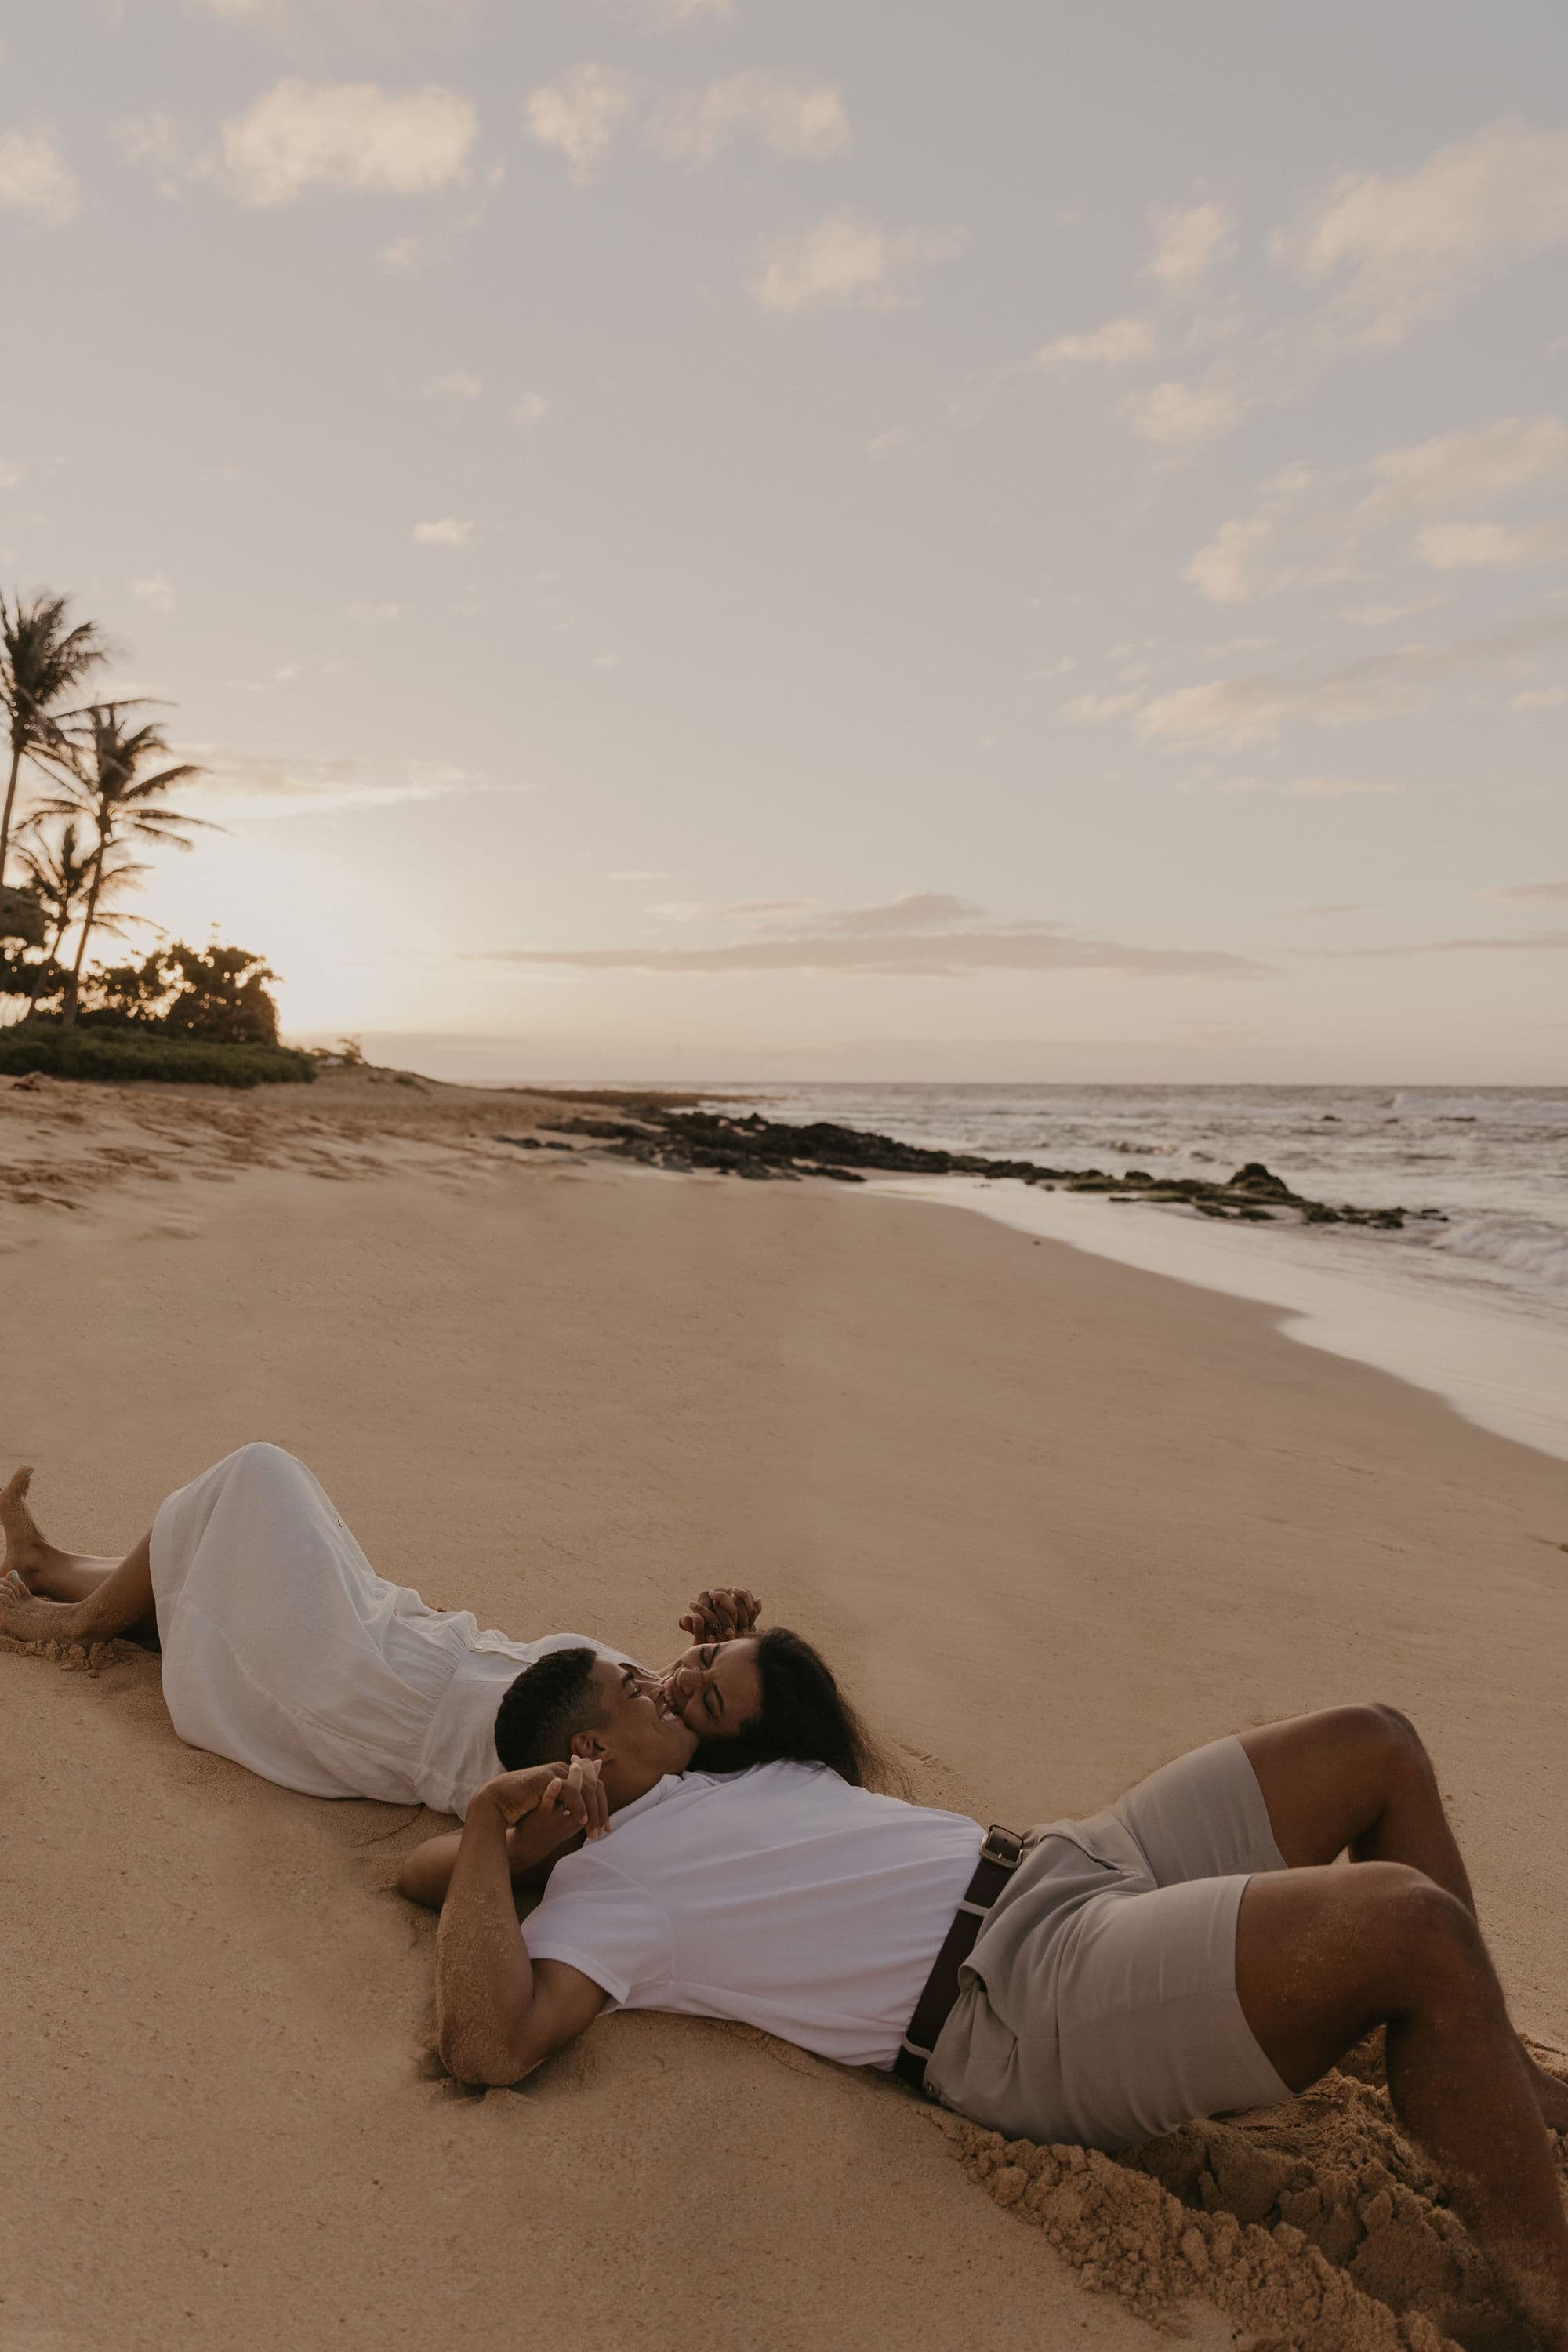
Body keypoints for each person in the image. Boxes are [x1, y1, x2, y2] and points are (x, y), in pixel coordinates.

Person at [419, 1653, 1568, 2350]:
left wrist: (723, 1652)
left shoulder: (717, 1767)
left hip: (1071, 1860)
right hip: (1021, 1998)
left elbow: (762, 1683)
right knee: (1409, 1924)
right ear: (585, 1747)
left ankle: (1498, 2077)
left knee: (1375, 1743)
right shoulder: (614, 1890)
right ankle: (1552, 2297)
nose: (657, 1679)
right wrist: (487, 1828)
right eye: (632, 1688)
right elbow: (488, 2042)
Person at [0, 1444, 766, 1817]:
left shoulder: (617, 1791)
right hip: (396, 1629)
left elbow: (528, 1833)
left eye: (701, 1700)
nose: (678, 1684)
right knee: (236, 1551)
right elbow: (618, 1704)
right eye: (699, 1661)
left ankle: (73, 1621)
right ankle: (54, 1564)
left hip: (362, 1692)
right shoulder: (651, 1720)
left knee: (257, 1477)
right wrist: (711, 1660)